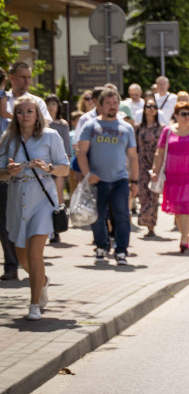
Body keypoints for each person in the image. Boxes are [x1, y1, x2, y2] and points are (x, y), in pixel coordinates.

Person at [0, 97, 71, 319]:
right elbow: (0, 172)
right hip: (16, 197)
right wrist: (9, 172)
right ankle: (43, 281)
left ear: (37, 114)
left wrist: (49, 167)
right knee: (22, 256)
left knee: (34, 252)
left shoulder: (50, 136)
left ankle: (34, 305)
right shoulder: (8, 139)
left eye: (30, 111)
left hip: (42, 198)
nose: (25, 115)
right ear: (15, 115)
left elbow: (65, 169)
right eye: (20, 112)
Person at [76, 88, 138, 265]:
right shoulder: (90, 126)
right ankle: (101, 246)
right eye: (108, 103)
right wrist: (88, 174)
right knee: (97, 217)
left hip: (120, 180)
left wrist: (135, 181)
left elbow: (133, 156)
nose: (112, 106)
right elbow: (81, 153)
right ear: (100, 106)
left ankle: (121, 251)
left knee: (122, 216)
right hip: (98, 180)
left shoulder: (126, 128)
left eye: (115, 103)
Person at [150, 102, 189, 252]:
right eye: (183, 114)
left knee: (188, 206)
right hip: (173, 175)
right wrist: (155, 171)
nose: (187, 117)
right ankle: (184, 234)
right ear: (176, 115)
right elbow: (159, 152)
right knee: (178, 207)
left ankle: (185, 237)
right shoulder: (167, 131)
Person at [135, 100, 163, 237]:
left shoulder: (161, 128)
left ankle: (151, 224)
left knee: (154, 195)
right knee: (143, 193)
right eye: (148, 107)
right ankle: (144, 220)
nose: (151, 109)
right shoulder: (139, 128)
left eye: (154, 107)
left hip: (156, 163)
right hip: (142, 163)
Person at [44, 94, 72, 215]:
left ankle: (59, 221)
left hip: (59, 163)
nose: (51, 107)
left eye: (53, 104)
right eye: (48, 104)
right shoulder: (42, 123)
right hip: (44, 162)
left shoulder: (62, 124)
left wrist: (67, 164)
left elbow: (67, 145)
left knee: (59, 194)